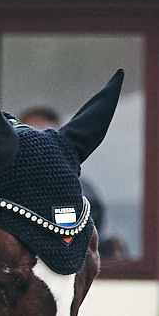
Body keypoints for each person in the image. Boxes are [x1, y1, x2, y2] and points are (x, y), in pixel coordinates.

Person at [16, 106, 117, 261]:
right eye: (30, 136)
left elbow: (84, 242)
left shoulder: (81, 191)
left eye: (44, 135)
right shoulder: (3, 190)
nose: (37, 146)